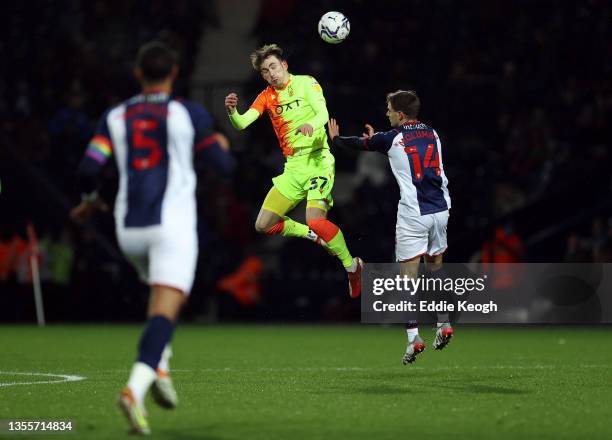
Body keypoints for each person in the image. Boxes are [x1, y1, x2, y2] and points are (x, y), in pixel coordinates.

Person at [70, 41, 234, 434]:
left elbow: (88, 168)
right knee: (166, 308)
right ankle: (135, 389)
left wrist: (91, 201)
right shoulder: (187, 113)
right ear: (174, 73)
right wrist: (221, 146)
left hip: (128, 231)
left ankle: (161, 364)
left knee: (162, 297)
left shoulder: (114, 116)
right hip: (171, 229)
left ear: (138, 74)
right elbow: (224, 166)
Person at [224, 44, 363, 297]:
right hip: (293, 167)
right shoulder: (266, 96)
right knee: (263, 225)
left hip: (318, 160)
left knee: (316, 218)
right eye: (265, 71)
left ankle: (352, 266)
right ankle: (314, 236)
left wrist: (311, 124)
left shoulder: (307, 83)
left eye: (274, 67)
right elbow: (242, 123)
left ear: (284, 65)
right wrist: (233, 112)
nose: (271, 74)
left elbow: (323, 112)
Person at [327, 90, 454, 364]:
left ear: (400, 114)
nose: (386, 113)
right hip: (441, 210)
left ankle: (414, 339)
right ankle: (443, 323)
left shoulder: (391, 138)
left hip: (414, 214)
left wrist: (336, 139)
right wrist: (376, 139)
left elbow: (358, 145)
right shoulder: (433, 133)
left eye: (388, 109)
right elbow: (406, 153)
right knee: (435, 268)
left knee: (407, 277)